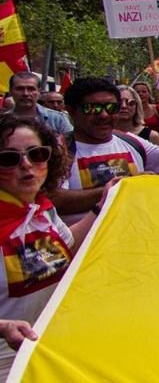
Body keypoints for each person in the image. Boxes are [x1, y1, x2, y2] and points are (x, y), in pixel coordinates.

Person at [0, 117, 101, 376]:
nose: (27, 166)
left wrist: (103, 205)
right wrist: (3, 326)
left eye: (37, 154)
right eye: (9, 159)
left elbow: (68, 247)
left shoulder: (43, 211)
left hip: (48, 349)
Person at [49, 78, 159, 224]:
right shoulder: (56, 149)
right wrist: (121, 188)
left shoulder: (133, 142)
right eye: (92, 108)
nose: (104, 115)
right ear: (71, 111)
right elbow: (53, 200)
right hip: (85, 245)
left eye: (111, 107)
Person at [7, 73, 73, 137]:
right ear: (10, 91)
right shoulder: (3, 120)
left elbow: (71, 145)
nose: (26, 94)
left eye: (31, 89)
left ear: (39, 92)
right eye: (20, 89)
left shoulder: (57, 119)